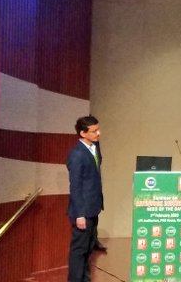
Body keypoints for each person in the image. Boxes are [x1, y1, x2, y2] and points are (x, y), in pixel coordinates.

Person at [67, 116, 104, 282]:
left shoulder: (94, 147)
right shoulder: (76, 155)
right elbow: (75, 187)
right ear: (82, 133)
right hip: (83, 211)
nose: (98, 133)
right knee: (79, 250)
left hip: (93, 207)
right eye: (94, 131)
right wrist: (80, 214)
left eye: (98, 129)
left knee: (89, 248)